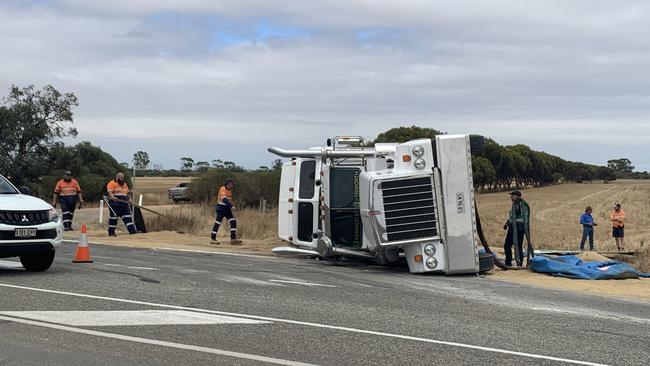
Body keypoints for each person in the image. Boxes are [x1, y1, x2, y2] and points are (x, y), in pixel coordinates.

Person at [210, 179, 243, 245]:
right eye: (232, 185)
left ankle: (233, 239)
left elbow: (228, 200)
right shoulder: (223, 189)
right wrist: (231, 206)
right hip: (221, 209)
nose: (233, 186)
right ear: (229, 184)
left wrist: (230, 207)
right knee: (217, 223)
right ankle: (213, 239)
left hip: (227, 209)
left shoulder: (229, 191)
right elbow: (224, 199)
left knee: (233, 221)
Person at [503, 190, 530, 267]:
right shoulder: (518, 204)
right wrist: (507, 223)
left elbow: (517, 213)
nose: (511, 197)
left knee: (509, 245)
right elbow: (513, 217)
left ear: (516, 196)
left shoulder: (518, 203)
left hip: (517, 227)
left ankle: (510, 262)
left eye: (512, 195)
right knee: (517, 245)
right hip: (517, 227)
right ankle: (518, 262)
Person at [106, 172, 137, 236]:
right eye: (121, 178)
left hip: (124, 204)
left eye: (123, 178)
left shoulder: (124, 184)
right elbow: (110, 193)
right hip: (115, 204)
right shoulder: (111, 183)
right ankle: (111, 233)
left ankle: (132, 231)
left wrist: (130, 199)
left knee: (128, 217)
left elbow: (128, 193)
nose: (122, 179)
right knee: (113, 218)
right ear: (117, 178)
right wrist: (113, 197)